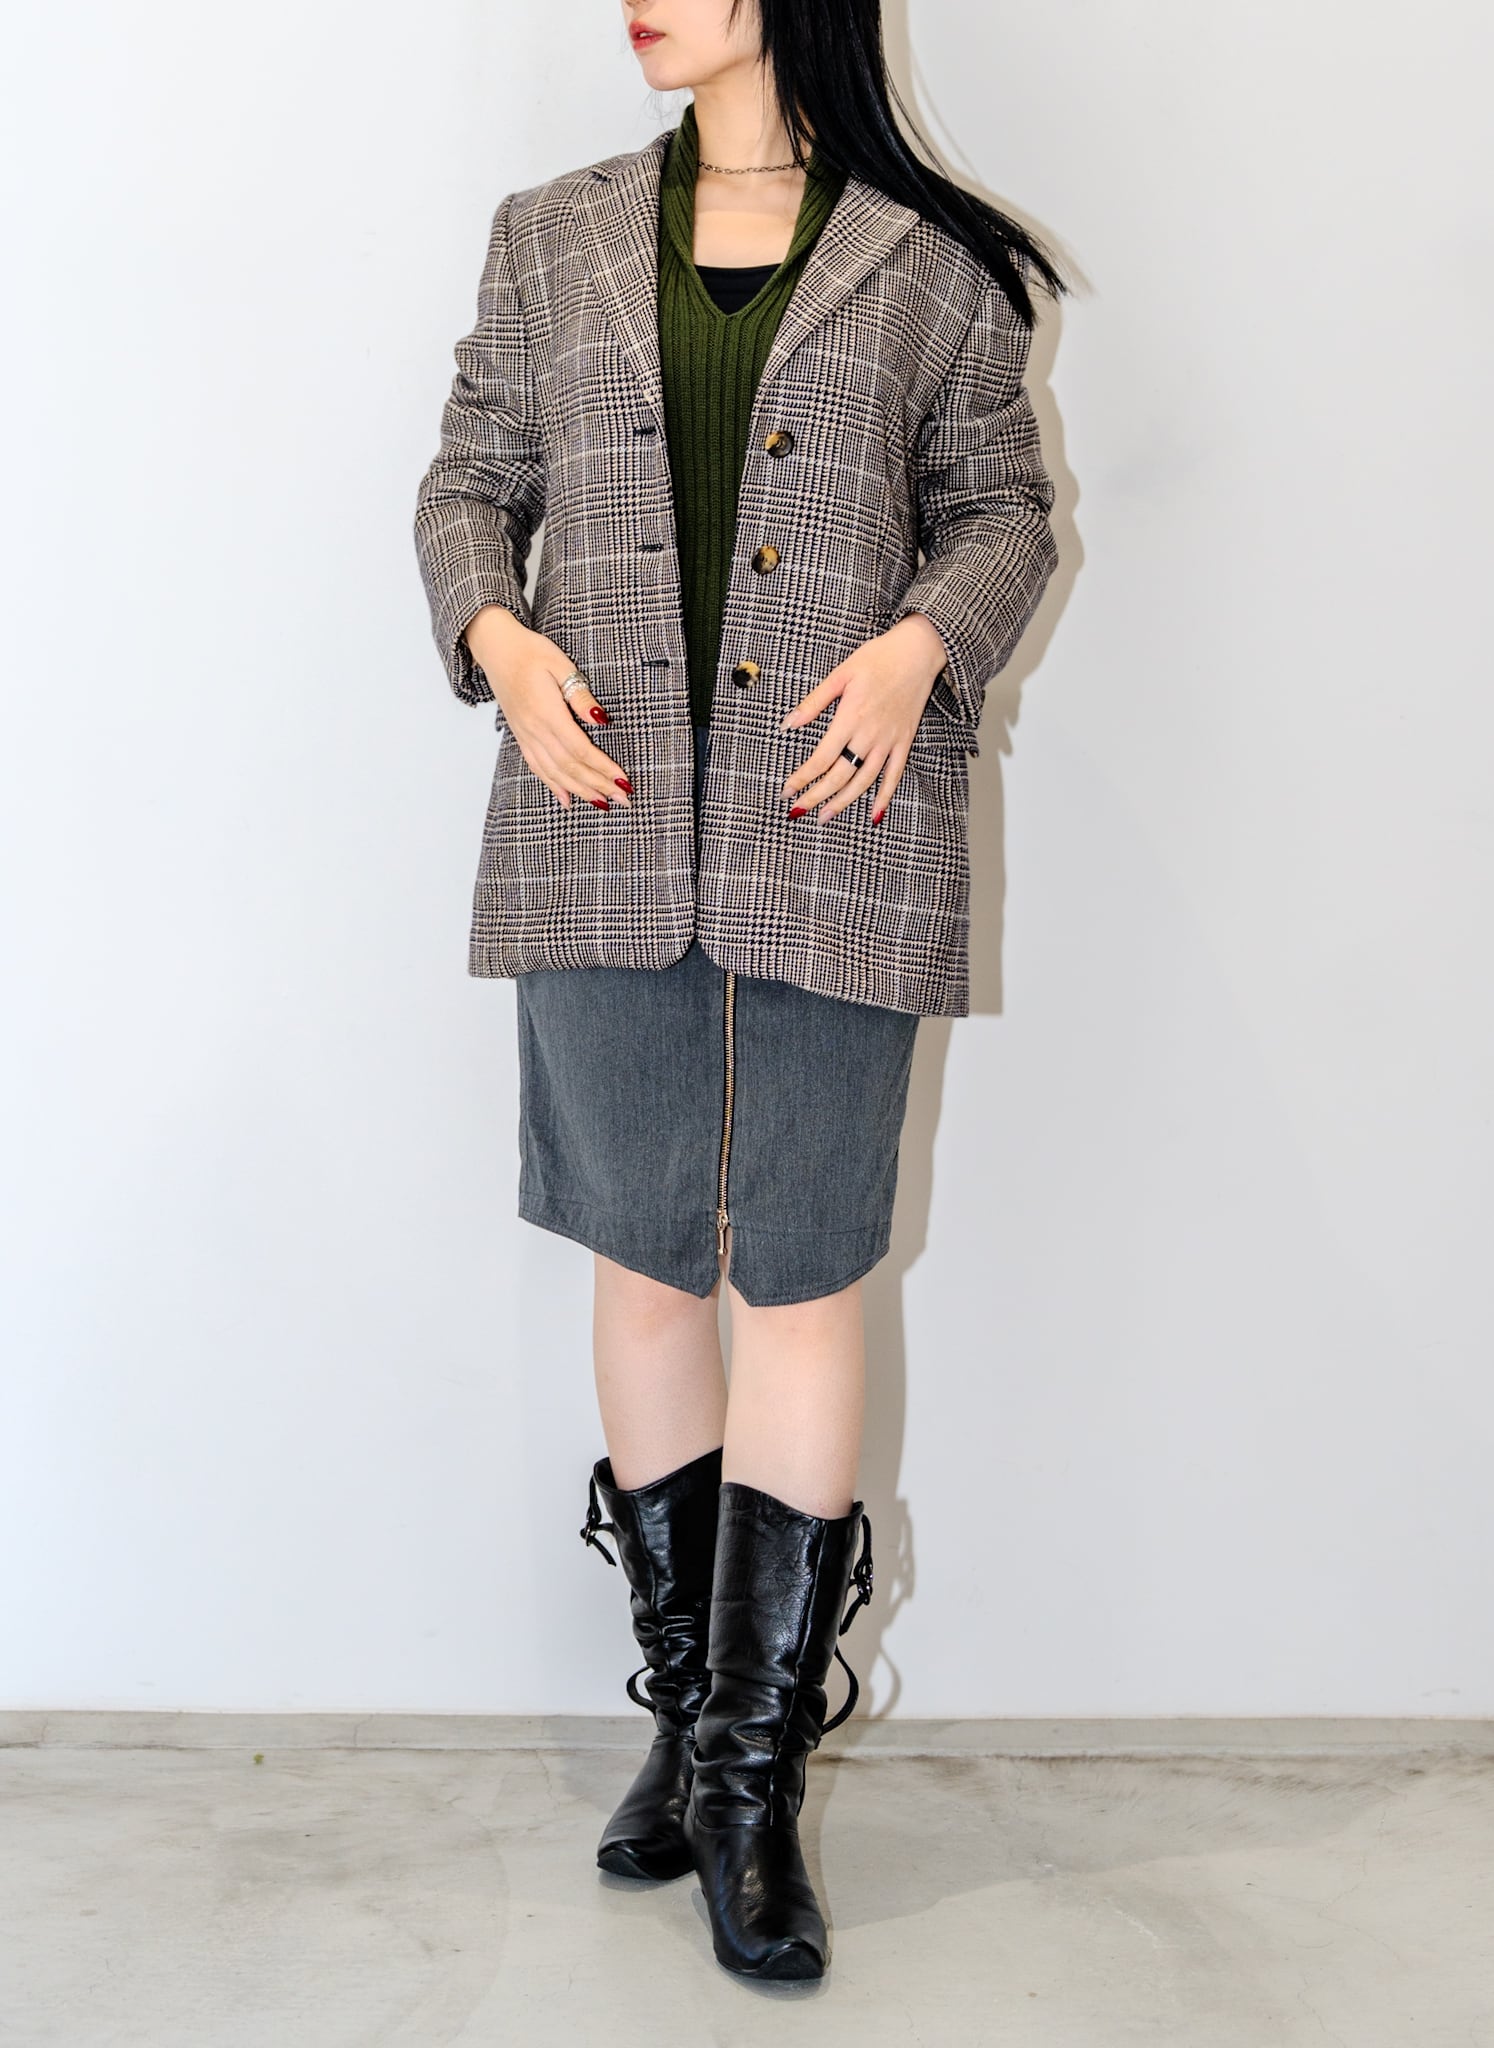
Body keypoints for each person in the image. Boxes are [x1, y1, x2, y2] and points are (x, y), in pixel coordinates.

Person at [413, 0, 1065, 1984]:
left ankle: (752, 1782)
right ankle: (693, 1730)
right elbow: (465, 481)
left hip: (831, 820)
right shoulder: (549, 232)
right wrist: (499, 638)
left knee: (796, 1271)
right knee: (641, 1263)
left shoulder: (924, 260)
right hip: (598, 812)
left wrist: (919, 648)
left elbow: (1005, 511)